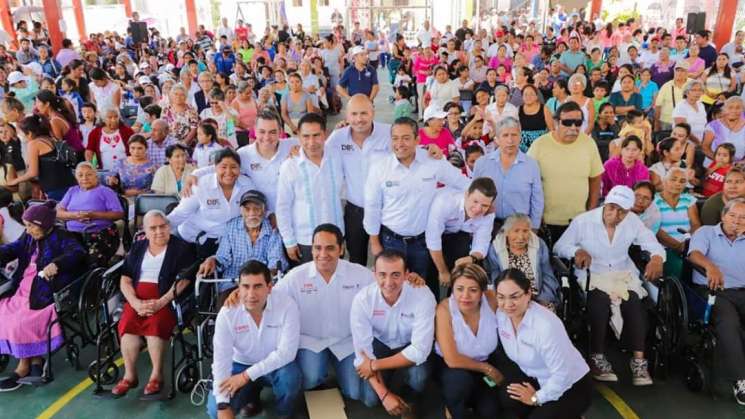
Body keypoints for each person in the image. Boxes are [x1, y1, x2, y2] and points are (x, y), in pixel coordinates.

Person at [555, 185, 665, 385]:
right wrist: (576, 251)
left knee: (634, 302)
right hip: (593, 272)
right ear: (605, 203)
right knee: (599, 301)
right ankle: (597, 356)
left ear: (628, 212)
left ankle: (639, 361)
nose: (615, 214)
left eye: (622, 211)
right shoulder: (584, 221)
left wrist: (657, 258)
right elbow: (560, 246)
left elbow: (651, 242)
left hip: (622, 272)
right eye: (611, 208)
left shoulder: (633, 222)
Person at [272, 224, 373, 403]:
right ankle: (318, 371)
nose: (323, 254)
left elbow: (385, 284)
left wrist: (410, 280)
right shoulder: (296, 276)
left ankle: (337, 369)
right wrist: (238, 294)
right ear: (311, 249)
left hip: (346, 342)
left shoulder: (359, 274)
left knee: (355, 393)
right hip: (311, 342)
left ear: (341, 249)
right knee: (309, 379)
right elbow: (270, 297)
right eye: (318, 248)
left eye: (330, 248)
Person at [364, 117, 469, 279]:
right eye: (395, 138)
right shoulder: (380, 168)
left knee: (423, 288)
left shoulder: (432, 161)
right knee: (394, 289)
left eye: (406, 138)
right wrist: (375, 243)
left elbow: (461, 182)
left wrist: (484, 200)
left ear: (417, 139)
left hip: (423, 242)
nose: (400, 144)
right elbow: (372, 207)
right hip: (391, 241)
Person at [0, 201, 85, 391]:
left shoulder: (61, 236)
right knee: (4, 312)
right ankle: (36, 361)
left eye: (31, 226)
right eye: (27, 225)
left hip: (46, 289)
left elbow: (78, 252)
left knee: (20, 320)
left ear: (44, 225)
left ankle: (23, 367)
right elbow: (14, 248)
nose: (27, 230)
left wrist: (58, 263)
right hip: (25, 285)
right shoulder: (29, 235)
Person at [112, 210, 195, 397]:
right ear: (145, 232)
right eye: (153, 228)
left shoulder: (181, 248)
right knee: (127, 326)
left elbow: (183, 281)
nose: (159, 231)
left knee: (155, 325)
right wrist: (134, 302)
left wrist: (161, 302)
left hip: (167, 298)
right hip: (137, 298)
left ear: (169, 227)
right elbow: (125, 279)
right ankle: (130, 375)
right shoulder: (138, 247)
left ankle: (156, 376)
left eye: (163, 226)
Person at [207, 260, 302, 419]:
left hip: (275, 366)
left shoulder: (287, 305)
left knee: (290, 378)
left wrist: (246, 376)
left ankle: (284, 414)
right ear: (238, 287)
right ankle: (251, 396)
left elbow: (287, 353)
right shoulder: (227, 313)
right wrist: (222, 405)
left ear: (269, 287)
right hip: (239, 365)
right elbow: (221, 360)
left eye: (258, 286)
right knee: (214, 411)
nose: (251, 294)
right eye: (245, 286)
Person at [494, 268, 593, 418]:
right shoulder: (501, 315)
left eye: (514, 297)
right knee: (506, 399)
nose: (507, 304)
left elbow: (562, 375)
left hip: (570, 386)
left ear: (528, 294)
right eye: (501, 297)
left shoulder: (545, 325)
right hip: (535, 378)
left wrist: (536, 398)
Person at [350, 249, 436, 415]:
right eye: (382, 274)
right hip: (379, 344)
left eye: (396, 275)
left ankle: (410, 402)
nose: (388, 282)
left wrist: (374, 365)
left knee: (419, 378)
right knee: (371, 399)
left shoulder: (423, 295)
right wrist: (384, 395)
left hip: (408, 345)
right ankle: (390, 387)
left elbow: (420, 350)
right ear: (374, 274)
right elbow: (362, 354)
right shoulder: (362, 300)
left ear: (406, 274)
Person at [687, 198, 745, 405]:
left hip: (742, 291)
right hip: (713, 291)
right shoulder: (706, 233)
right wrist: (710, 267)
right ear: (722, 216)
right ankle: (740, 380)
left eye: (743, 218)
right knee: (729, 321)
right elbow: (694, 254)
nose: (737, 222)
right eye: (733, 216)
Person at [325, 95, 391, 266]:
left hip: (387, 210)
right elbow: (316, 152)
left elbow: (411, 146)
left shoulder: (389, 133)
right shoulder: (338, 138)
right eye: (354, 114)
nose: (359, 119)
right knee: (356, 260)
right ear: (346, 116)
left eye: (364, 113)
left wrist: (431, 149)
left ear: (373, 113)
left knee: (389, 260)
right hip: (355, 210)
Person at [527, 101, 604, 243]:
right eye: (567, 122)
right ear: (556, 122)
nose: (573, 127)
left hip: (578, 221)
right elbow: (527, 182)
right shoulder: (540, 145)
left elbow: (595, 179)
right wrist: (535, 216)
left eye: (578, 123)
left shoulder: (588, 143)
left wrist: (590, 212)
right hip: (545, 223)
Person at [434, 263, 500, 419]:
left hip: (485, 363)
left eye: (473, 290)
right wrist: (488, 369)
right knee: (459, 386)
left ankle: (470, 400)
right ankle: (452, 407)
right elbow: (451, 359)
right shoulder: (444, 310)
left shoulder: (491, 299)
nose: (465, 296)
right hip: (454, 368)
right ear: (453, 288)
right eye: (459, 289)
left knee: (490, 411)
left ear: (482, 291)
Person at [277, 113, 344, 264]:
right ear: (299, 136)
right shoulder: (290, 166)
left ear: (325, 134)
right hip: (305, 240)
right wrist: (289, 241)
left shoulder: (337, 157)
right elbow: (283, 207)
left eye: (316, 135)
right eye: (306, 136)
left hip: (335, 236)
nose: (311, 142)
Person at [167, 149, 255, 259]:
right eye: (223, 167)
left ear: (239, 169)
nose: (228, 172)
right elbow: (180, 214)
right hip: (191, 241)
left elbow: (254, 211)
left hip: (226, 244)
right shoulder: (200, 185)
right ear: (215, 168)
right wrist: (158, 229)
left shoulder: (247, 185)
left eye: (233, 167)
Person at [197, 190, 286, 297]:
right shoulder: (231, 227)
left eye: (256, 209)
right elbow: (223, 257)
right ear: (241, 211)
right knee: (228, 307)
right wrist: (212, 260)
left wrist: (258, 281)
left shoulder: (272, 230)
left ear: (264, 211)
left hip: (261, 284)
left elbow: (275, 261)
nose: (251, 214)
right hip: (232, 283)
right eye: (247, 209)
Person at [426, 177, 496, 291]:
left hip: (457, 235)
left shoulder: (489, 214)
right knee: (432, 272)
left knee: (465, 260)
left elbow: (481, 244)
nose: (478, 209)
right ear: (466, 194)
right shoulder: (445, 202)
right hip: (428, 232)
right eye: (475, 201)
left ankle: (456, 297)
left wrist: (471, 258)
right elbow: (432, 239)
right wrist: (443, 272)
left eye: (484, 205)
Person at [473, 117, 543, 229]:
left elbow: (537, 200)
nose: (510, 140)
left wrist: (534, 228)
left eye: (514, 135)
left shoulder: (531, 165)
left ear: (520, 137)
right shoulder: (482, 163)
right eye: (505, 135)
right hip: (487, 226)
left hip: (519, 227)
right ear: (497, 139)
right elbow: (473, 196)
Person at [56, 162, 124, 267]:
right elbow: (59, 213)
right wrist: (75, 216)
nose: (84, 178)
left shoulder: (106, 191)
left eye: (89, 174)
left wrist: (94, 215)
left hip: (99, 235)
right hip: (72, 235)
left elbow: (118, 214)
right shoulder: (72, 191)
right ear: (76, 177)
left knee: (91, 266)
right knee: (65, 263)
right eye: (80, 175)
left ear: (96, 175)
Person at [487, 213, 561, 308]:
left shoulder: (539, 245)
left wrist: (544, 299)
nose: (521, 237)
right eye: (516, 231)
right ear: (507, 232)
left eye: (525, 231)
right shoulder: (496, 248)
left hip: (538, 298)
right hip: (508, 300)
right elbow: (495, 277)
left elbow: (548, 275)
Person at [8, 114, 77, 201]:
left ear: (29, 133)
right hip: (71, 182)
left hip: (55, 187)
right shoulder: (51, 139)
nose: (22, 136)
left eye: (22, 133)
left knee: (60, 212)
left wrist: (14, 181)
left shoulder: (34, 144)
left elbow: (33, 173)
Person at [654, 167, 702, 277]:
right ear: (664, 181)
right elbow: (655, 229)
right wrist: (678, 246)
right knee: (678, 267)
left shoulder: (688, 199)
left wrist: (687, 243)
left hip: (688, 244)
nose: (677, 184)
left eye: (682, 181)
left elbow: (695, 224)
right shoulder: (654, 201)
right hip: (664, 247)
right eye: (673, 179)